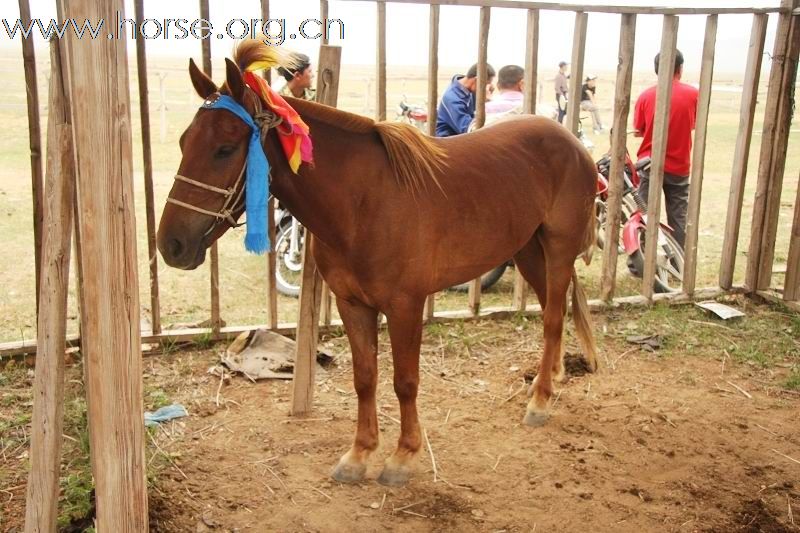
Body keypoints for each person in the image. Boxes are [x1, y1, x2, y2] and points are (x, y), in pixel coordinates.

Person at [633, 50, 698, 248]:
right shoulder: (694, 95)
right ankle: (677, 261)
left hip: (649, 163)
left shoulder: (645, 96)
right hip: (679, 165)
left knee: (644, 214)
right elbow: (693, 124)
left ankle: (639, 261)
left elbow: (638, 130)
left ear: (656, 71)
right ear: (680, 68)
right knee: (678, 216)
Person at [435, 63, 496, 137]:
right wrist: (486, 102)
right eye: (486, 84)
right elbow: (470, 129)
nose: (487, 88)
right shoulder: (452, 98)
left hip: (462, 138)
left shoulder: (469, 90)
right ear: (477, 80)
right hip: (448, 141)